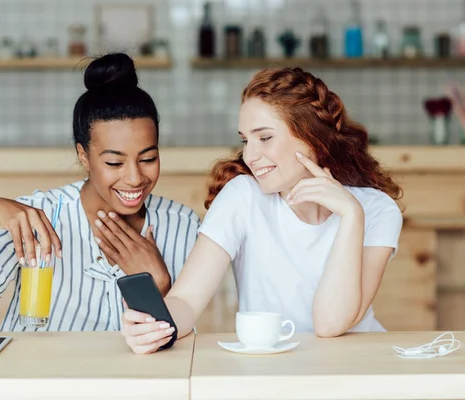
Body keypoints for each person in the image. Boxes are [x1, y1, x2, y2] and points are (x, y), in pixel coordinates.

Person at [121, 66, 404, 354]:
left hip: (358, 364)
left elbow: (330, 324)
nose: (250, 155)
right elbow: (186, 301)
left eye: (265, 138)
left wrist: (351, 216)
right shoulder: (242, 197)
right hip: (268, 368)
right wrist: (156, 328)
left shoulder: (376, 210)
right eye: (246, 140)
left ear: (312, 138)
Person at [0, 53, 199, 337]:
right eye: (114, 163)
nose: (134, 178)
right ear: (84, 156)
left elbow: (176, 346)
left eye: (148, 158)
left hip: (132, 381)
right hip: (34, 379)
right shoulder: (37, 216)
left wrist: (157, 284)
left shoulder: (182, 225)